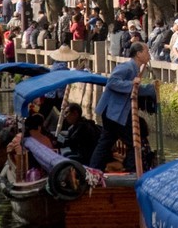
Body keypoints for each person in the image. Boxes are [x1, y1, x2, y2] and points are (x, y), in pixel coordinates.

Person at [89, 42, 157, 171]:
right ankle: (131, 171)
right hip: (114, 111)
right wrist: (132, 83)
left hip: (118, 112)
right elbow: (112, 82)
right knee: (132, 142)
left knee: (107, 141)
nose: (149, 55)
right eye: (146, 52)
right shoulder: (127, 67)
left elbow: (135, 89)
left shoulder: (136, 69)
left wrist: (150, 89)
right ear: (138, 54)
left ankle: (94, 169)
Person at [57, 100, 97, 164]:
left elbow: (71, 142)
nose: (65, 116)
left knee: (67, 158)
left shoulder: (83, 127)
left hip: (87, 157)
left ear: (75, 113)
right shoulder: (76, 125)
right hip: (79, 153)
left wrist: (57, 139)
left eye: (67, 113)